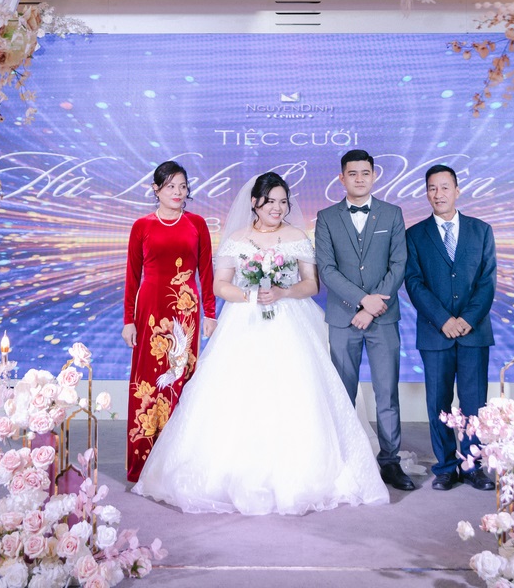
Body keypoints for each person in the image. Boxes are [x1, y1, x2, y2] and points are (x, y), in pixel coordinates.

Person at [133, 173, 389, 514]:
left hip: (291, 319)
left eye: (283, 202)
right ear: (254, 203)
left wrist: (283, 291)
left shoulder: (296, 236)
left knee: (298, 391)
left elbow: (311, 284)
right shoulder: (237, 239)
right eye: (270, 202)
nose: (277, 208)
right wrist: (249, 295)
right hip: (245, 320)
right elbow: (220, 285)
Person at [315, 149, 416, 491]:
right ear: (341, 178)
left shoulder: (392, 213)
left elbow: (398, 264)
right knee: (343, 393)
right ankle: (347, 459)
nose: (359, 179)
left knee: (387, 393)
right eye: (352, 173)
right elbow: (327, 269)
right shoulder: (327, 217)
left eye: (365, 173)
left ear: (374, 176)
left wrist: (372, 306)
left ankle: (390, 461)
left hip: (383, 318)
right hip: (343, 318)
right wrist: (361, 301)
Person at [122, 160, 216, 483]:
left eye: (183, 186)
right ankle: (144, 462)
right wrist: (128, 320)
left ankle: (178, 463)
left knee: (180, 378)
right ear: (156, 189)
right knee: (147, 383)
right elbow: (132, 276)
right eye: (170, 186)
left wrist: (210, 313)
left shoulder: (197, 224)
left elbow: (206, 272)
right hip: (149, 311)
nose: (178, 192)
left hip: (185, 312)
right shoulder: (142, 226)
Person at [404, 164, 496, 491]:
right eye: (432, 188)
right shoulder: (414, 235)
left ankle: (473, 465)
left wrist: (466, 319)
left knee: (474, 403)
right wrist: (443, 319)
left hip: (474, 332)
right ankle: (445, 467)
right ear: (426, 193)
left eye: (445, 187)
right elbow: (414, 283)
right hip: (435, 332)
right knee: (438, 403)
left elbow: (487, 281)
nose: (438, 194)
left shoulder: (481, 230)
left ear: (457, 190)